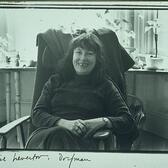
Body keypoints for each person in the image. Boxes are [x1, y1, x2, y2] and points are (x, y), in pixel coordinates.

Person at [29, 32, 138, 150]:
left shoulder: (105, 85)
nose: (82, 58)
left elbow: (127, 120)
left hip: (83, 139)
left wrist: (100, 122)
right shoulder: (56, 81)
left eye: (89, 53)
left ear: (97, 59)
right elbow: (37, 114)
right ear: (72, 55)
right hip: (47, 137)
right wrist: (65, 124)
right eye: (79, 52)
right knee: (59, 135)